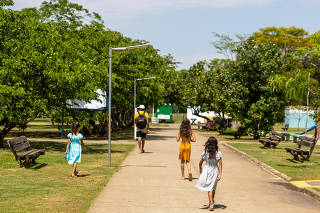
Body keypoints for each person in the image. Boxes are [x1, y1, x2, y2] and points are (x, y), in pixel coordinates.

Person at [196, 137, 222, 211]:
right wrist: (220, 174)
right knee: (212, 188)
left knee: (210, 188)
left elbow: (200, 162)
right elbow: (220, 164)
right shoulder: (218, 153)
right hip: (215, 171)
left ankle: (211, 204)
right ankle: (211, 202)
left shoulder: (205, 153)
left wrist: (200, 168)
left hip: (207, 170)